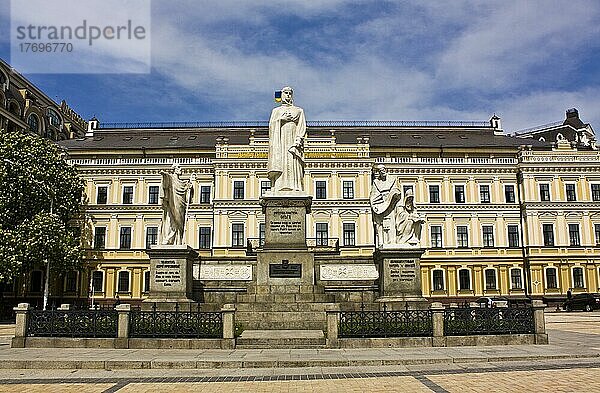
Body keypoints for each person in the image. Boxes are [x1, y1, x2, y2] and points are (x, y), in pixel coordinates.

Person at [267, 86, 307, 194]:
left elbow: (302, 126)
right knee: (281, 159)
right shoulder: (276, 111)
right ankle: (279, 186)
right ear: (282, 94)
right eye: (286, 93)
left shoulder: (299, 111)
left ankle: (295, 186)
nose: (288, 95)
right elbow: (271, 126)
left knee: (293, 160)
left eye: (290, 93)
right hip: (280, 140)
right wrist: (281, 119)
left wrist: (298, 140)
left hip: (293, 139)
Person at [160, 163, 194, 245]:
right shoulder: (171, 178)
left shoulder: (182, 183)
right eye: (178, 167)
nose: (181, 169)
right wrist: (164, 175)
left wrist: (189, 187)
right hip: (173, 202)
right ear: (174, 169)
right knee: (172, 218)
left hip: (181, 204)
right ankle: (169, 239)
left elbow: (187, 195)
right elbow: (166, 181)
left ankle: (178, 241)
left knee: (180, 222)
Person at [370, 164, 402, 247]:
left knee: (391, 223)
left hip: (391, 205)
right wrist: (378, 203)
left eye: (383, 170)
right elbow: (373, 195)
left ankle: (391, 242)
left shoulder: (392, 179)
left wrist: (393, 194)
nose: (382, 172)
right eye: (380, 171)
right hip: (381, 206)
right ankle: (382, 242)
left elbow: (397, 190)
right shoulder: (376, 182)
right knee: (381, 225)